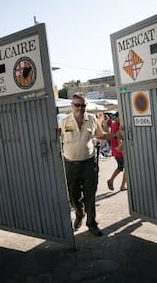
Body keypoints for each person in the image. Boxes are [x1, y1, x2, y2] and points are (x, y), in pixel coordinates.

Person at [60, 92, 112, 236]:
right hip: (70, 164)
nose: (80, 108)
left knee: (90, 195)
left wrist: (116, 134)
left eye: (83, 105)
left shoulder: (92, 119)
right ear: (72, 106)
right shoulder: (64, 122)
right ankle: (79, 212)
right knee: (72, 195)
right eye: (77, 105)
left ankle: (92, 224)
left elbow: (100, 135)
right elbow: (56, 138)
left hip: (89, 164)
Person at [107, 112, 127, 191]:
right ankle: (122, 186)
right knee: (126, 169)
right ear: (117, 117)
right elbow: (118, 138)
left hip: (115, 150)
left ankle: (111, 180)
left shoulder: (114, 124)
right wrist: (122, 149)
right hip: (119, 150)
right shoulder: (117, 125)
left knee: (120, 167)